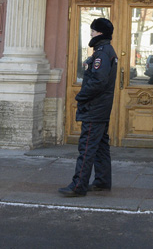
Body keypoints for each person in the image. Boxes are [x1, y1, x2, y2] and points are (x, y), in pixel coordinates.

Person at [59, 18, 118, 197]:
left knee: (86, 148)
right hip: (101, 108)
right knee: (100, 146)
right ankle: (102, 181)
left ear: (99, 33)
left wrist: (80, 96)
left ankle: (78, 186)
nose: (90, 34)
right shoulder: (105, 51)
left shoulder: (101, 53)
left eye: (92, 31)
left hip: (95, 108)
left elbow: (99, 81)